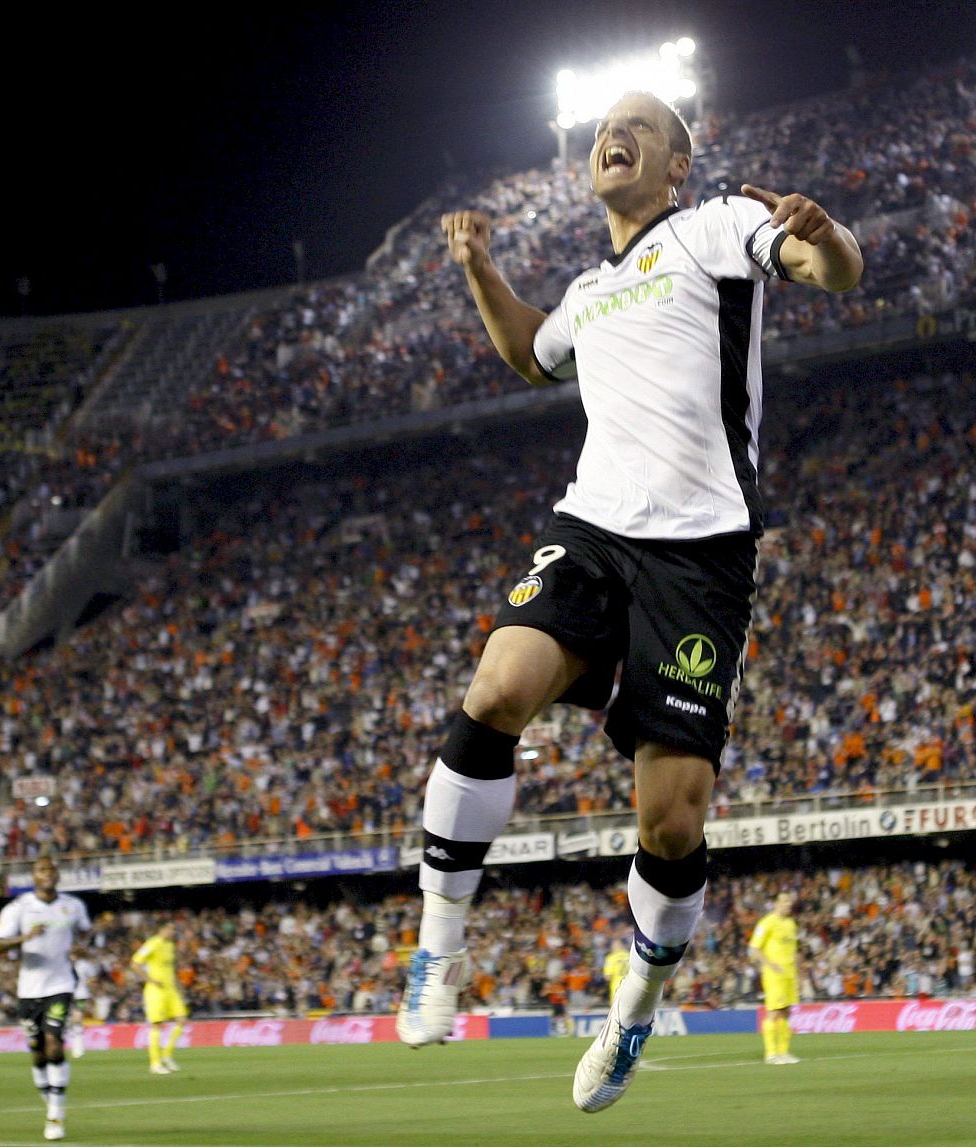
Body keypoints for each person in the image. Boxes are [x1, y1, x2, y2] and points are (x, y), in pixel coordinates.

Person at [394, 87, 862, 1117]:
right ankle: (439, 946)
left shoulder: (717, 228)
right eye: (608, 124)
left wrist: (826, 238)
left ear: (674, 167)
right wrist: (481, 269)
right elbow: (529, 351)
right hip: (593, 527)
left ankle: (635, 1004)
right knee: (499, 684)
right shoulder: (588, 287)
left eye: (640, 128)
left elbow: (832, 271)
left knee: (673, 819)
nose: (615, 134)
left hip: (699, 555)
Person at [0, 856, 92, 1141]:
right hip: (29, 988)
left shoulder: (73, 906)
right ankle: (50, 1097)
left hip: (60, 984)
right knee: (37, 1050)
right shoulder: (19, 908)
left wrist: (82, 948)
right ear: (34, 876)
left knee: (53, 1041)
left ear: (57, 874)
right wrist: (24, 938)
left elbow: (85, 933)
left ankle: (56, 1115)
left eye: (51, 869)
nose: (47, 873)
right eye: (41, 870)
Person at [748, 892, 801, 1064]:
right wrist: (770, 965)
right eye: (785, 901)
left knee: (786, 1012)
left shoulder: (791, 923)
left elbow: (793, 950)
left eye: (790, 901)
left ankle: (783, 1052)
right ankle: (771, 1054)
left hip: (790, 975)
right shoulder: (768, 922)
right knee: (774, 1013)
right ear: (776, 903)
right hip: (774, 975)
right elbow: (754, 948)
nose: (789, 904)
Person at [132, 922, 188, 1074]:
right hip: (156, 990)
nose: (173, 931)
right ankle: (155, 1064)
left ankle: (166, 1056)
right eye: (170, 928)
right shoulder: (152, 943)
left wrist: (178, 986)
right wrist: (150, 980)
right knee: (157, 1025)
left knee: (182, 1019)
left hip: (171, 989)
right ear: (162, 929)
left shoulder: (170, 945)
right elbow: (135, 963)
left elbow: (169, 968)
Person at [67, 952, 99, 1059]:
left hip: (80, 994)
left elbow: (93, 978)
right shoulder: (64, 964)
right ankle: (74, 1046)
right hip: (65, 994)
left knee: (77, 1019)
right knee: (70, 1021)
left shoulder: (84, 964)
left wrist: (87, 984)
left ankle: (78, 1048)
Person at [602, 935, 631, 1006]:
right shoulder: (630, 956)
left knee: (616, 1012)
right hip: (631, 987)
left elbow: (607, 977)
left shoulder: (611, 958)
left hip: (617, 988)